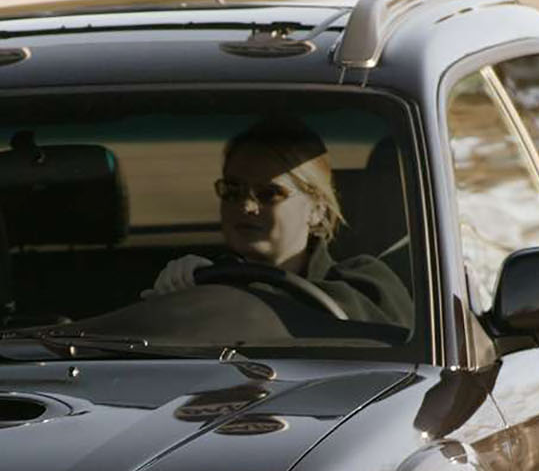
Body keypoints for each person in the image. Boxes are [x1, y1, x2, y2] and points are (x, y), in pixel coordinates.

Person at [147, 117, 409, 328]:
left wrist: (220, 295)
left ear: (316, 210)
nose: (247, 206)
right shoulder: (199, 282)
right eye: (232, 190)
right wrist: (178, 293)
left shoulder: (365, 285)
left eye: (269, 194)